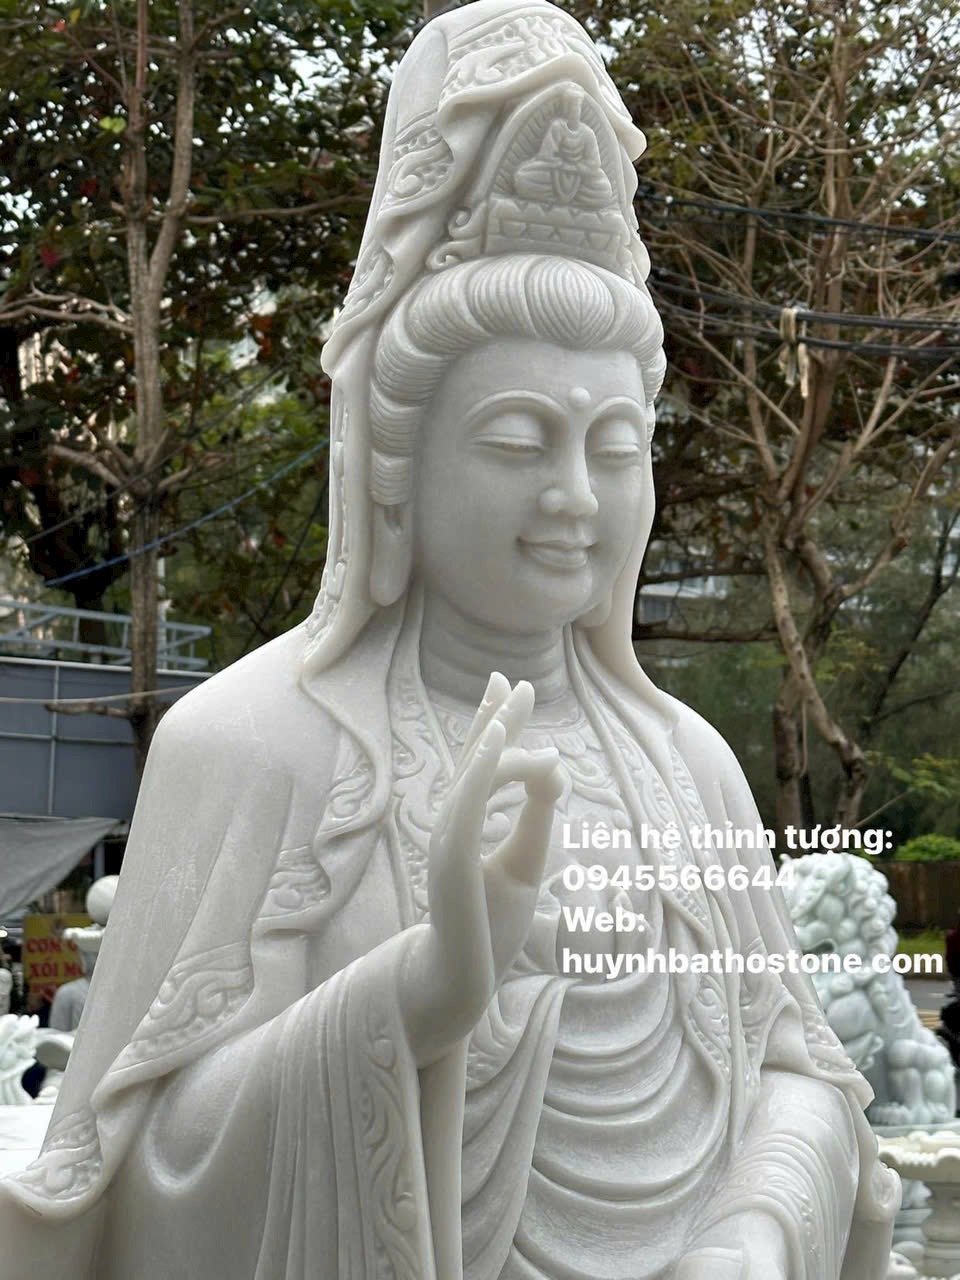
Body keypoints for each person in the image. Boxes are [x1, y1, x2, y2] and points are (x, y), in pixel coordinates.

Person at [0, 2, 898, 1277]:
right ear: (395, 468)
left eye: (615, 447)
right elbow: (137, 1176)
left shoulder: (689, 767)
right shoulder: (255, 746)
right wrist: (418, 991)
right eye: (519, 440)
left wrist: (752, 1231)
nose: (575, 498)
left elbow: (807, 1080)